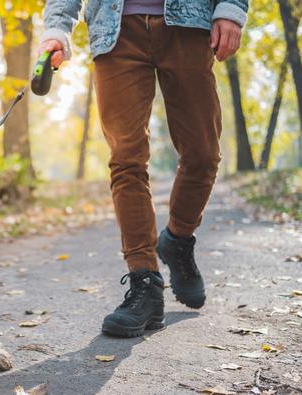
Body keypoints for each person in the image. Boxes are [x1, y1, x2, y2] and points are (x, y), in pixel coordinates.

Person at [39, 0, 248, 337]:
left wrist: (230, 9)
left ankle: (178, 240)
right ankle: (144, 282)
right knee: (126, 159)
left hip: (188, 24)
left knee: (203, 155)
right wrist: (57, 29)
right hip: (115, 30)